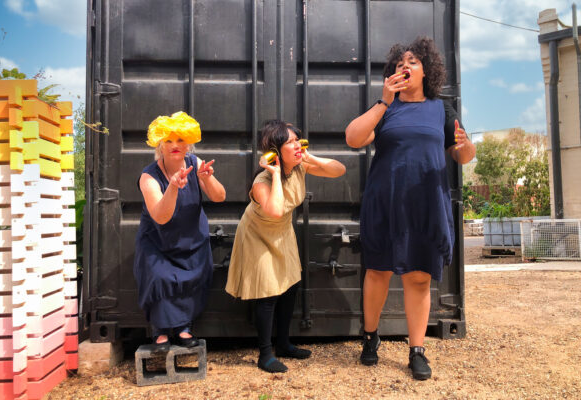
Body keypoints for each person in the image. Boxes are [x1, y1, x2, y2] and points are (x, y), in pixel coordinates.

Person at [345, 36, 476, 380]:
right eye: (400, 62)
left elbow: (461, 154)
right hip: (385, 202)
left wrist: (465, 146)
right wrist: (383, 102)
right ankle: (370, 338)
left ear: (427, 71)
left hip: (425, 204)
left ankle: (416, 350)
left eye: (414, 61)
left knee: (418, 278)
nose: (406, 65)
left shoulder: (441, 109)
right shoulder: (385, 108)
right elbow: (354, 138)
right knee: (378, 272)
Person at [225, 120, 346, 373]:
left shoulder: (301, 166)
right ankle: (265, 354)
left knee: (290, 286)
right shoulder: (263, 181)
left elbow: (339, 170)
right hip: (258, 235)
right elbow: (276, 210)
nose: (296, 145)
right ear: (275, 151)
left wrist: (310, 156)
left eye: (297, 140)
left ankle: (283, 344)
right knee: (267, 293)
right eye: (290, 142)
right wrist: (277, 173)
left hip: (282, 233)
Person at [133, 111, 226, 351]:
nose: (175, 145)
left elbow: (219, 197)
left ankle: (184, 328)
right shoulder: (148, 176)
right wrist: (173, 187)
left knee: (192, 280)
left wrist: (208, 178)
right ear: (160, 146)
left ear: (189, 144)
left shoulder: (196, 164)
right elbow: (161, 217)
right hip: (158, 242)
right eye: (169, 141)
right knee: (161, 278)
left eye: (181, 140)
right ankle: (161, 331)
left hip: (192, 239)